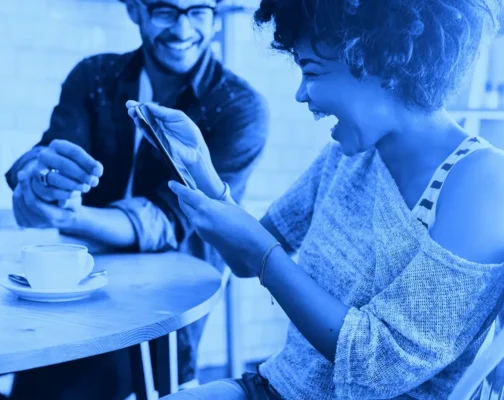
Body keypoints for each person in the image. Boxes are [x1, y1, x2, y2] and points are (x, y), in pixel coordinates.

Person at [126, 0, 504, 398]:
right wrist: (200, 168)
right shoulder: (350, 154)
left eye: (311, 71)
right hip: (274, 388)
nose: (301, 94)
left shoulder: (482, 180)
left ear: (378, 61)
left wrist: (263, 255)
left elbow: (379, 366)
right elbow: (245, 257)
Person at [3, 0, 269, 397]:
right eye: (165, 11)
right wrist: (36, 180)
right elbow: (49, 158)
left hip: (165, 312)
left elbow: (165, 220)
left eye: (199, 11)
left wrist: (67, 217)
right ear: (135, 10)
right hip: (72, 288)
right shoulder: (93, 76)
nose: (182, 30)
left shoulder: (238, 107)